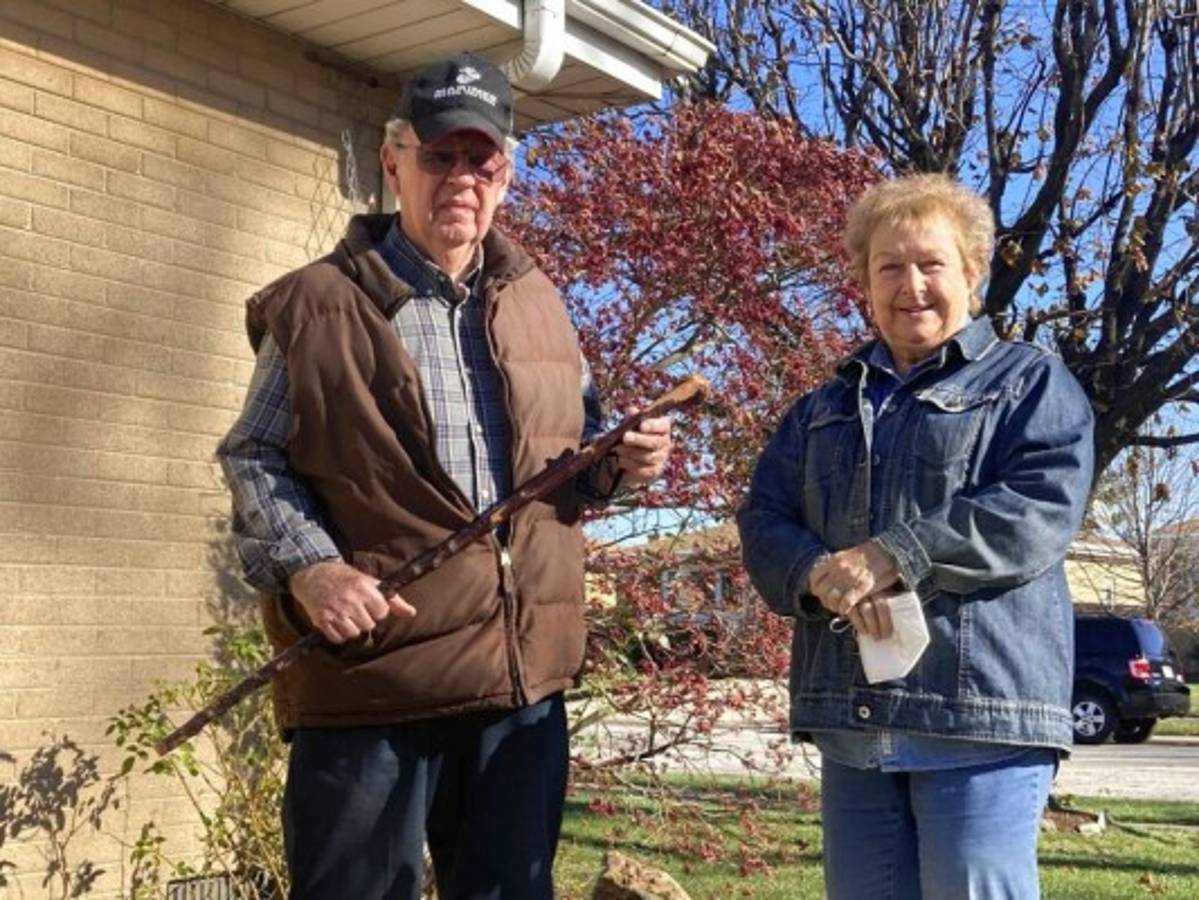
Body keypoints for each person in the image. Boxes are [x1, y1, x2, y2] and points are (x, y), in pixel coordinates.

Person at [216, 53, 672, 900]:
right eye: (439, 156)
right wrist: (312, 568)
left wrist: (621, 466)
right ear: (394, 162)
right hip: (374, 684)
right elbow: (254, 455)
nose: (461, 178)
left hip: (519, 688)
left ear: (505, 175)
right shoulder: (314, 305)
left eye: (480, 160)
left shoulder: (540, 303)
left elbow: (569, 470)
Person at [737, 174, 1094, 899]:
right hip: (854, 723)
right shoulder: (820, 409)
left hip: (980, 721)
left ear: (972, 271)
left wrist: (892, 555)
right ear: (864, 282)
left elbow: (1037, 507)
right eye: (888, 266)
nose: (911, 286)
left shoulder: (1029, 385)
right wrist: (815, 572)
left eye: (931, 263)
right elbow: (763, 518)